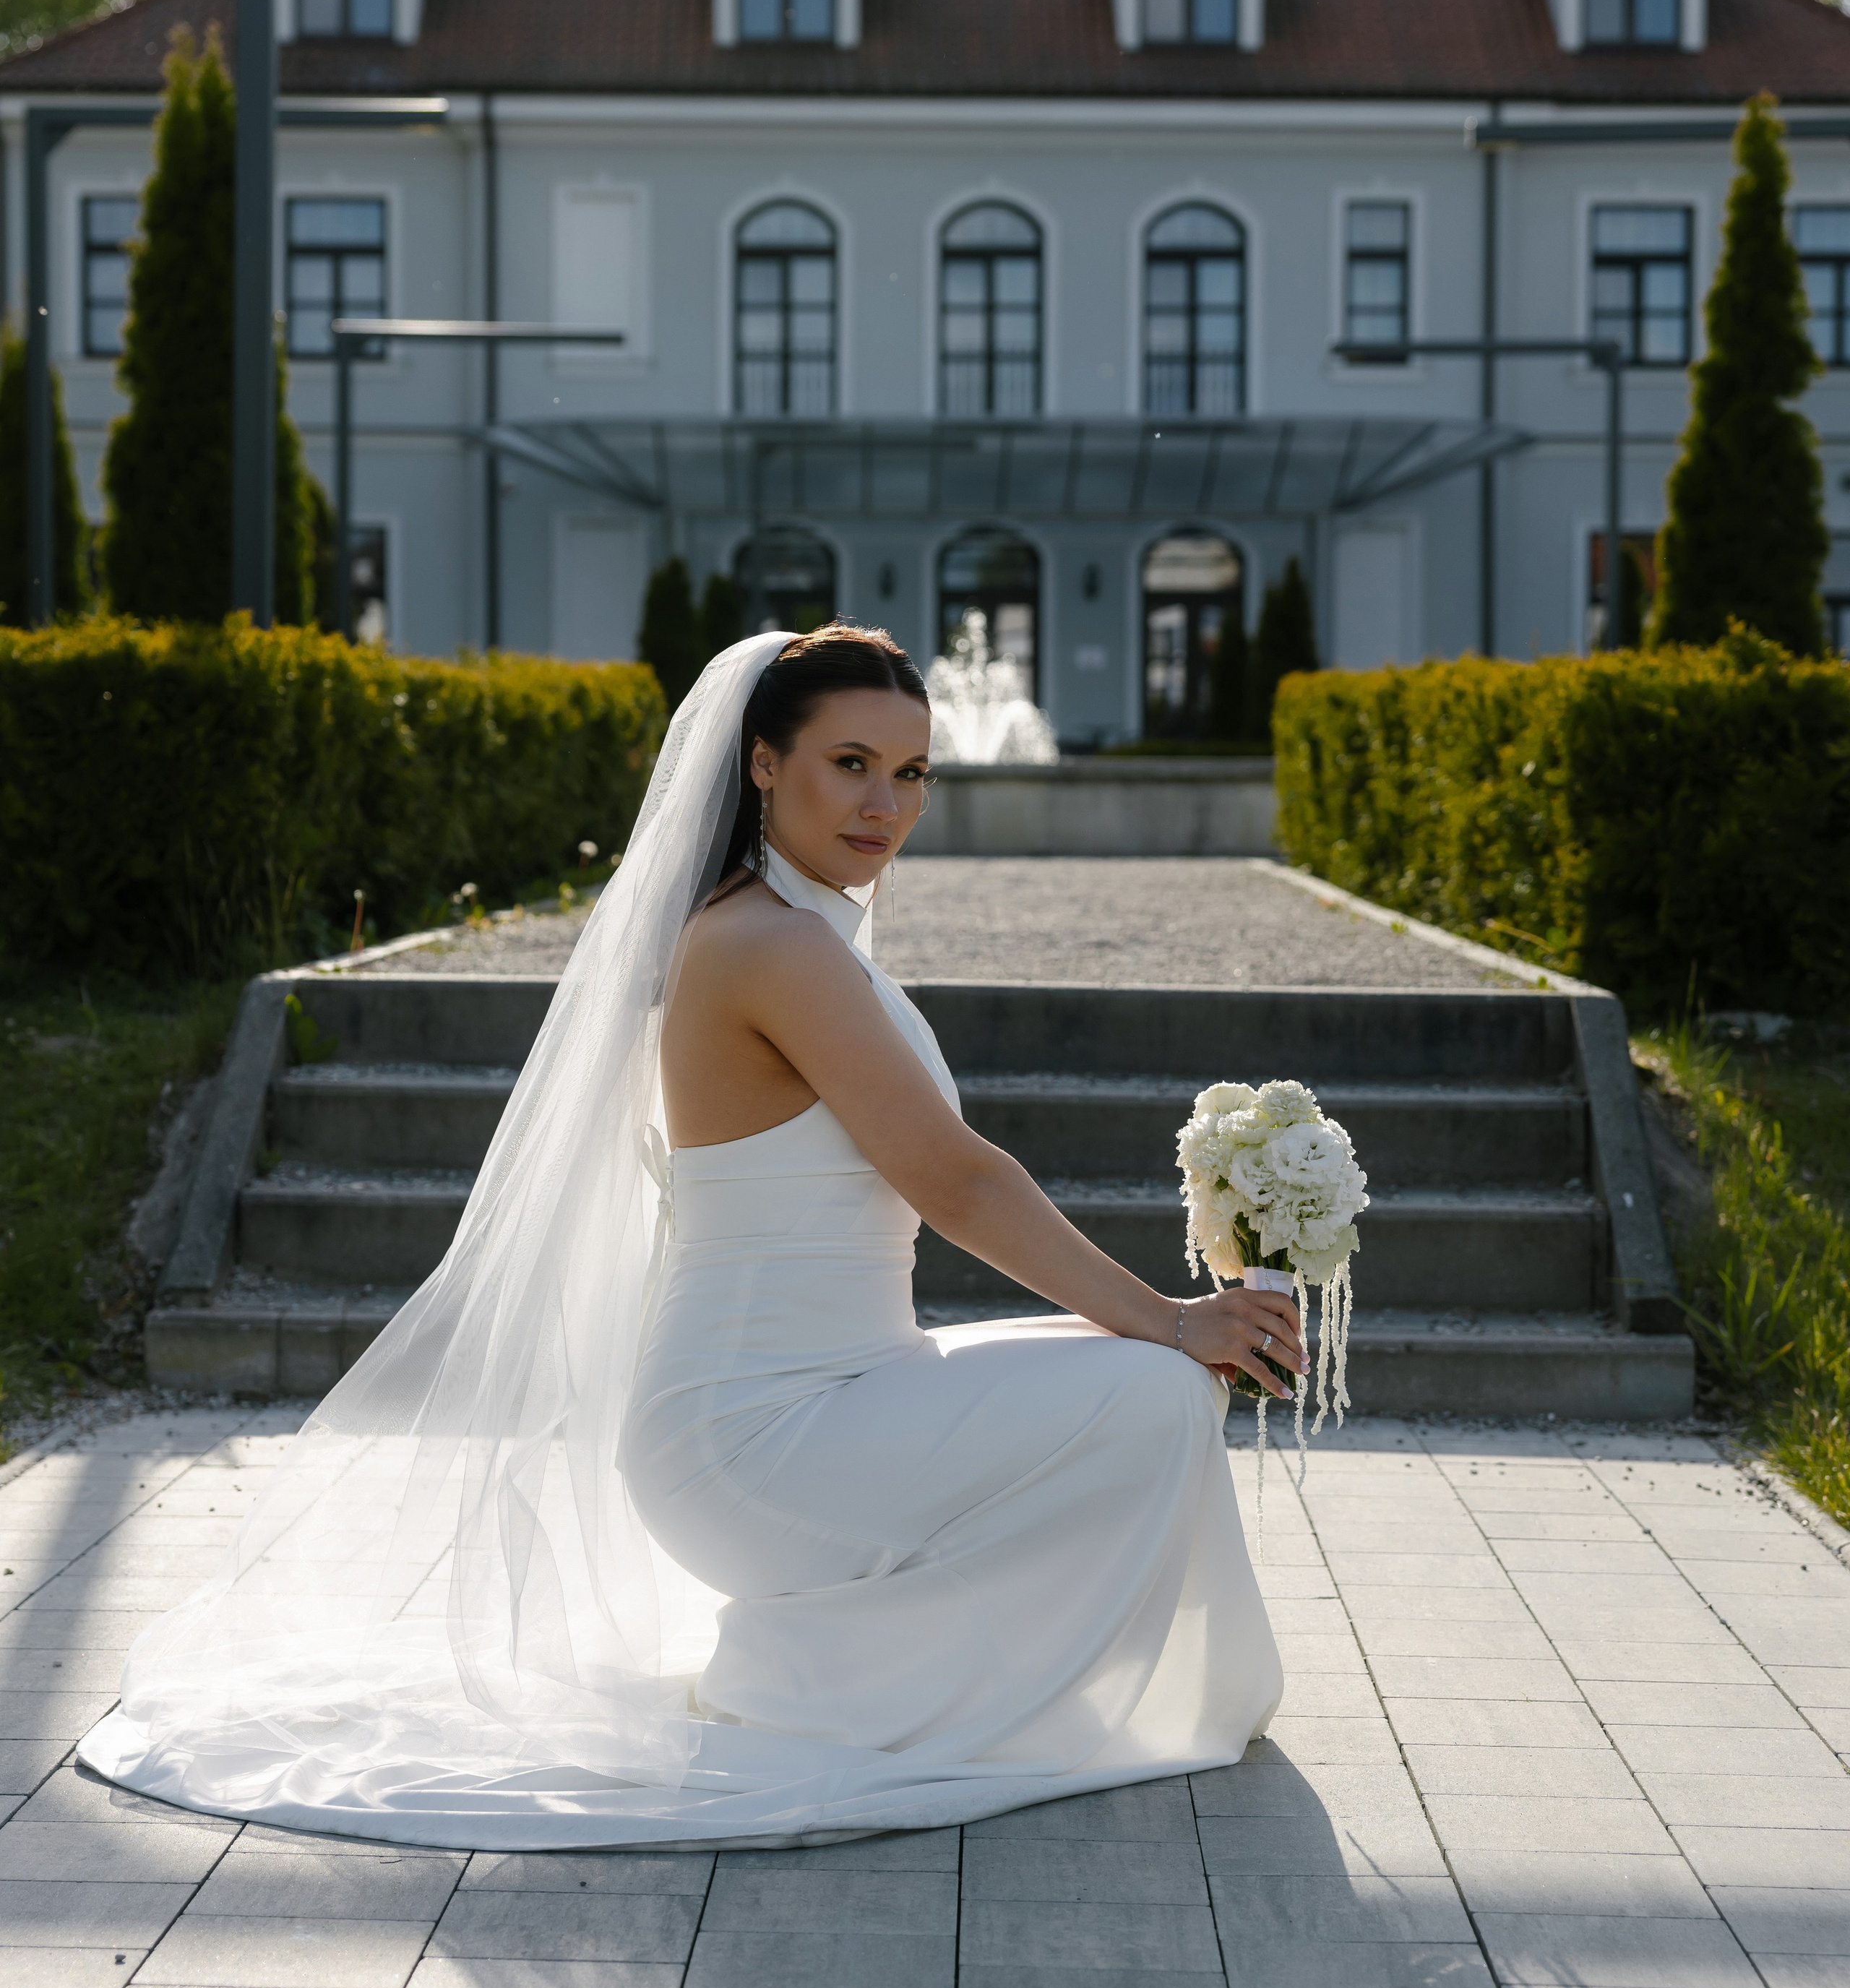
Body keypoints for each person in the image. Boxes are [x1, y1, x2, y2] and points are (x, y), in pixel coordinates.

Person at [80, 626, 1297, 1847]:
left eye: (914, 773)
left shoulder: (787, 926)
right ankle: (815, 1682)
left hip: (842, 1389)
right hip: (754, 1439)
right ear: (763, 764)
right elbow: (953, 1181)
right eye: (852, 764)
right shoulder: (771, 946)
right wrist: (1175, 1312)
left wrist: (1164, 1322)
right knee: (1150, 1386)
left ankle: (868, 1672)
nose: (887, 804)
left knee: (1139, 1383)